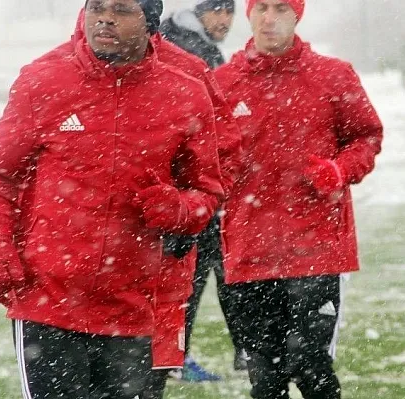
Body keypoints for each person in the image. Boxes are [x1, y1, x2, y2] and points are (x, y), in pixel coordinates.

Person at [0, 0, 225, 398]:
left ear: (150, 24)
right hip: (49, 300)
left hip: (139, 306)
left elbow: (207, 191)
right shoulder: (44, 81)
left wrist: (177, 208)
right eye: (97, 7)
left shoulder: (185, 92)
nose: (104, 18)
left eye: (121, 10)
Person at [214, 1, 383, 397]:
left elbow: (366, 136)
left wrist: (339, 170)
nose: (268, 19)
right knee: (265, 380)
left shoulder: (332, 76)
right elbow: (202, 158)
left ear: (297, 16)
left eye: (280, 9)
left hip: (316, 249)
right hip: (249, 250)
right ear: (249, 14)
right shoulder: (222, 84)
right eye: (260, 9)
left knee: (312, 368)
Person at [161, 0, 249, 380]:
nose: (224, 20)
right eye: (217, 10)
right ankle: (175, 358)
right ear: (198, 11)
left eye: (229, 12)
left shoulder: (194, 43)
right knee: (195, 276)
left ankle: (185, 357)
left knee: (217, 271)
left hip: (197, 189)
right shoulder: (185, 46)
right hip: (188, 191)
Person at [161, 0, 235, 68]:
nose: (224, 21)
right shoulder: (186, 49)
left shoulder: (211, 50)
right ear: (201, 12)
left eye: (229, 12)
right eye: (217, 12)